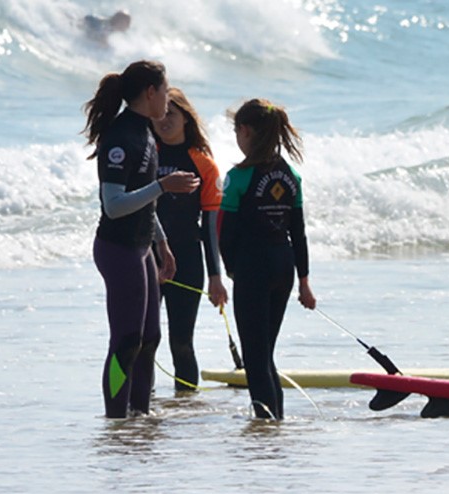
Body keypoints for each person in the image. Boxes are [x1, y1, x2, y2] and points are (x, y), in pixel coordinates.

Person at [83, 60, 197, 418]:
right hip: (118, 248)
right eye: (165, 90)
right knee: (127, 340)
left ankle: (141, 415)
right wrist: (163, 185)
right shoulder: (120, 137)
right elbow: (114, 205)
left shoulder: (146, 132)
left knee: (150, 339)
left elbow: (142, 200)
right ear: (150, 93)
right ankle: (116, 419)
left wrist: (160, 241)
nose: (168, 97)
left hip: (142, 245)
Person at [219, 99, 317, 420]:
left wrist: (232, 269)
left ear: (245, 131)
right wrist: (304, 282)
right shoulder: (291, 177)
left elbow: (226, 233)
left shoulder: (238, 177)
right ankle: (276, 421)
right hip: (283, 267)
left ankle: (266, 426)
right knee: (265, 355)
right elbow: (298, 233)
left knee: (255, 357)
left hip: (253, 268)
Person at [151, 87, 223, 393]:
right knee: (142, 340)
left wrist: (215, 277)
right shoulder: (146, 154)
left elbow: (209, 227)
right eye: (160, 114)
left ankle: (184, 407)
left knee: (181, 342)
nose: (165, 120)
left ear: (186, 118)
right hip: (148, 259)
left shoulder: (202, 162)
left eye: (172, 113)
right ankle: (141, 406)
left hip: (187, 261)